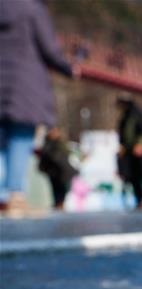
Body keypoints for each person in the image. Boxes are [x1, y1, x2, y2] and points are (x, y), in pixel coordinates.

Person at [0, 0, 75, 216]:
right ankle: (14, 194)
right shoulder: (31, 9)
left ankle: (1, 196)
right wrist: (68, 68)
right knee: (20, 138)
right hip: (22, 85)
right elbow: (49, 49)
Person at [37, 127, 76, 210]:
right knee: (55, 188)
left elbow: (65, 154)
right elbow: (45, 155)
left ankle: (60, 203)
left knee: (62, 188)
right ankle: (57, 203)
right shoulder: (47, 143)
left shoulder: (61, 142)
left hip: (62, 170)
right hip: (52, 171)